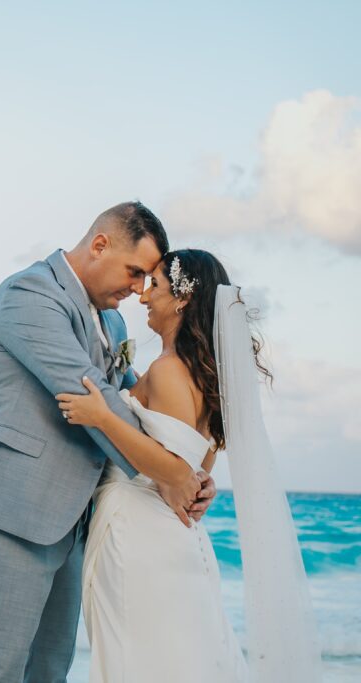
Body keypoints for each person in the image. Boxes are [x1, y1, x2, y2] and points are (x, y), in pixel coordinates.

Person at [0, 202, 216, 682]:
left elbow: (135, 397)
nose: (139, 288)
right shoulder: (30, 295)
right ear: (100, 244)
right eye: (135, 271)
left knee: (50, 669)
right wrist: (171, 471)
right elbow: (91, 395)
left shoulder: (114, 323)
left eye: (149, 278)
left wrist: (181, 459)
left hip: (70, 516)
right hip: (11, 506)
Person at [57, 249, 321, 682]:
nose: (144, 297)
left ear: (182, 299)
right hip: (176, 538)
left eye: (155, 286)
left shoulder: (168, 371)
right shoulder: (206, 378)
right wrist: (200, 482)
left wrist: (102, 417)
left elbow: (174, 468)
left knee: (138, 661)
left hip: (140, 534)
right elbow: (200, 465)